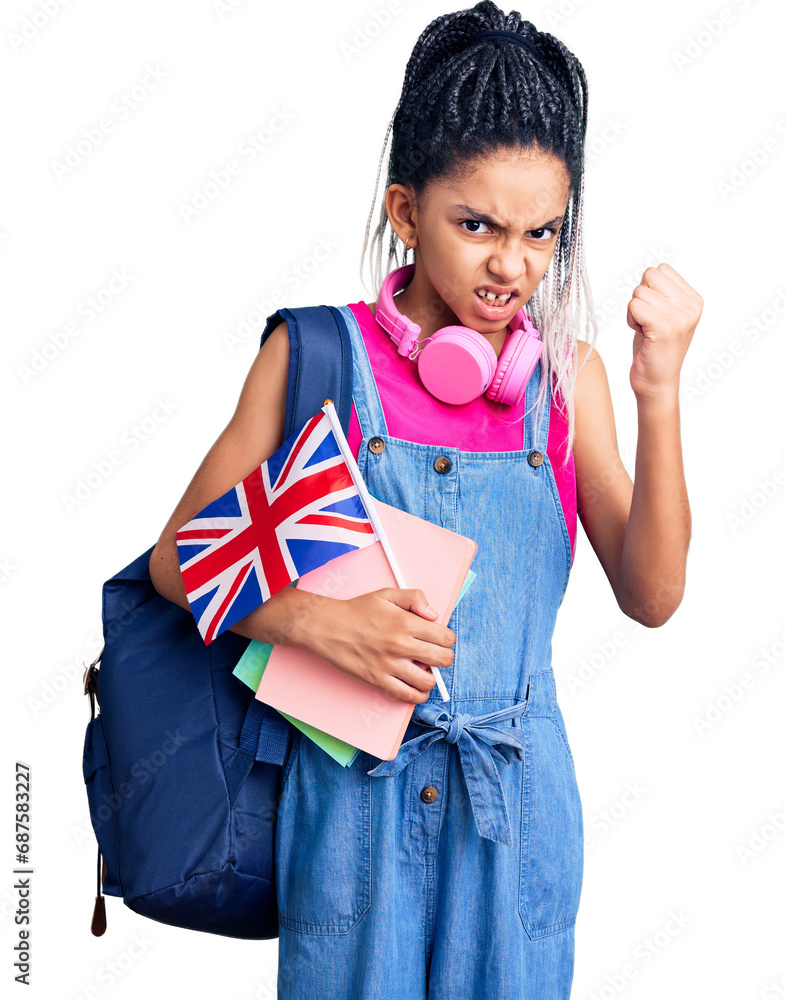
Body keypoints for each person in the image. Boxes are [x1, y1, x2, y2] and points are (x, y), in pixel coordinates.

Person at [149, 3, 702, 996]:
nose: (512, 265)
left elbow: (652, 592)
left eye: (541, 233)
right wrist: (315, 624)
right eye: (476, 224)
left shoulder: (565, 381)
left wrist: (655, 389)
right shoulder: (316, 356)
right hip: (351, 817)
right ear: (404, 211)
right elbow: (176, 559)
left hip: (516, 816)